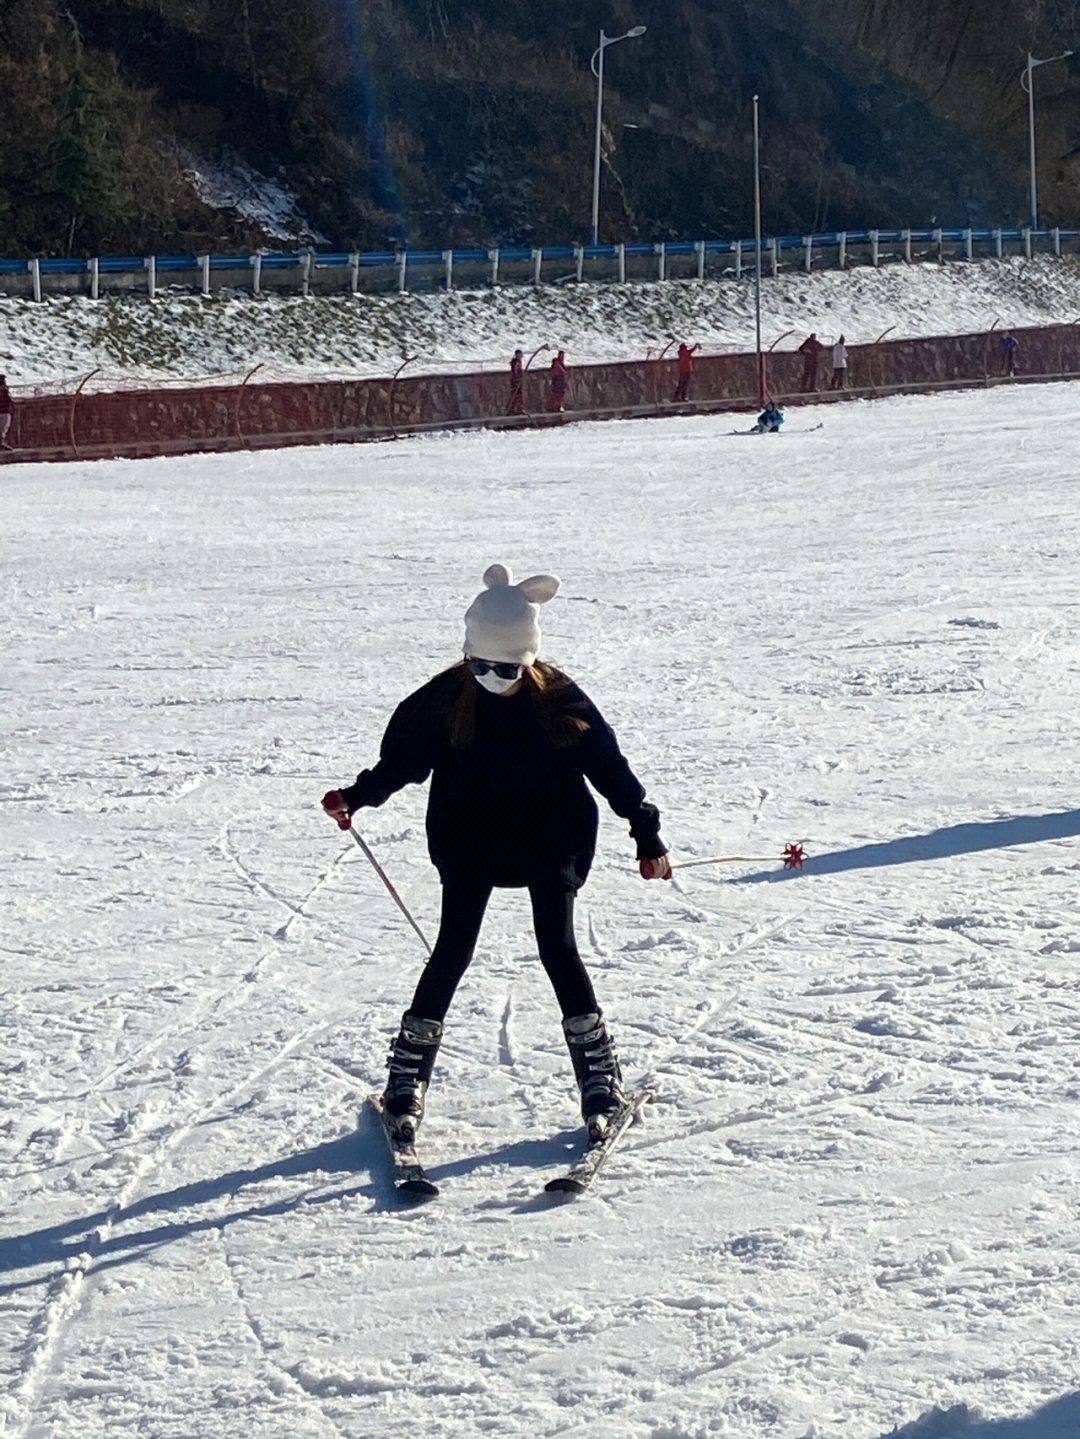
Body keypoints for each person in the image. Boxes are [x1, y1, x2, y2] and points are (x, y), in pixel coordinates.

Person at [321, 564, 671, 1142]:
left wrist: (646, 833)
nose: (489, 678)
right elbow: (401, 763)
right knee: (452, 950)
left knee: (557, 947)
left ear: (528, 660)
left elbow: (611, 771)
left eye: (505, 669)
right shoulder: (446, 697)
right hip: (471, 834)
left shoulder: (560, 702)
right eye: (478, 665)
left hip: (551, 833)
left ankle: (599, 1083)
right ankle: (405, 1083)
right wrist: (356, 797)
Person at [507, 349, 525, 415]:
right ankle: (514, 409)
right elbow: (515, 372)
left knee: (518, 395)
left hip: (518, 381)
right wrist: (518, 379)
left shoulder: (518, 362)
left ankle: (518, 409)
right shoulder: (516, 363)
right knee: (516, 395)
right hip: (516, 381)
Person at [0, 375, 12, 448]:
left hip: (5, 410)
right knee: (3, 427)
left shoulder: (5, 390)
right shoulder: (4, 390)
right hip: (3, 411)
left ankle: (1, 442)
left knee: (3, 427)